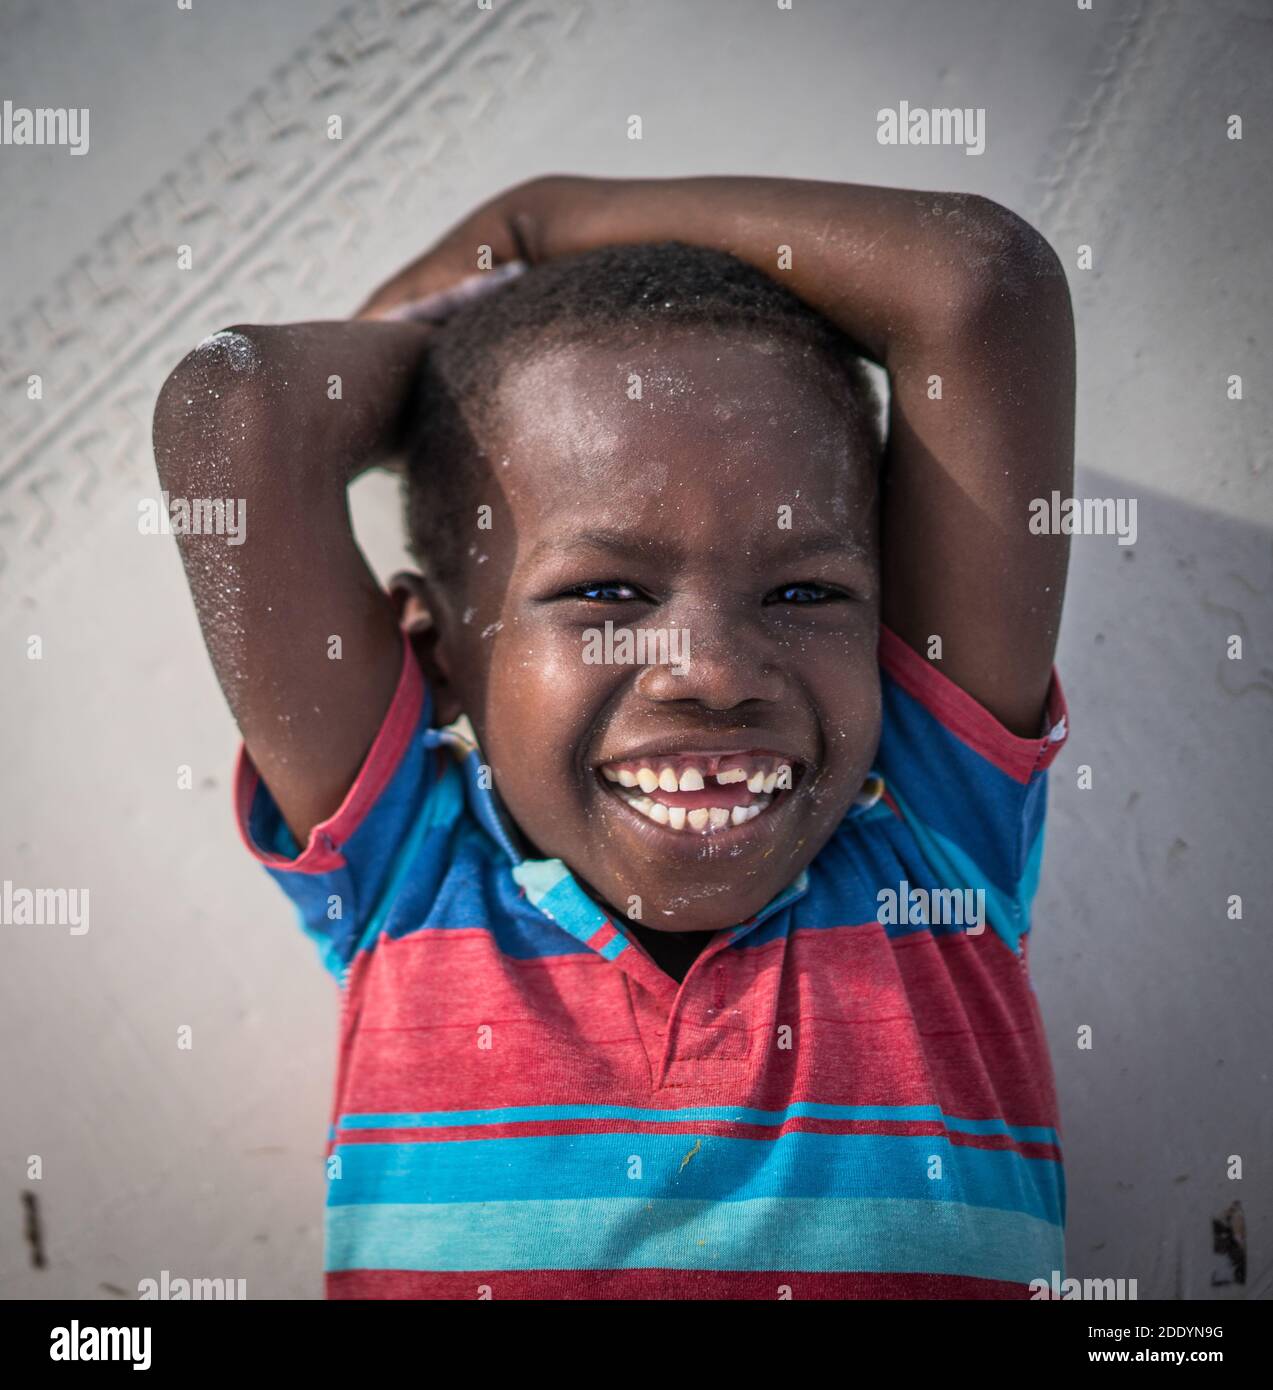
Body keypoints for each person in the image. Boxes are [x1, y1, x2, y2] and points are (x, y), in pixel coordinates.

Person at [152, 174, 1075, 1299]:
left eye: (803, 594)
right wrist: (459, 363)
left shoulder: (935, 849)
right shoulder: (405, 873)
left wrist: (547, 221)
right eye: (605, 591)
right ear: (436, 653)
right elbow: (232, 411)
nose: (716, 673)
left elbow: (978, 284)